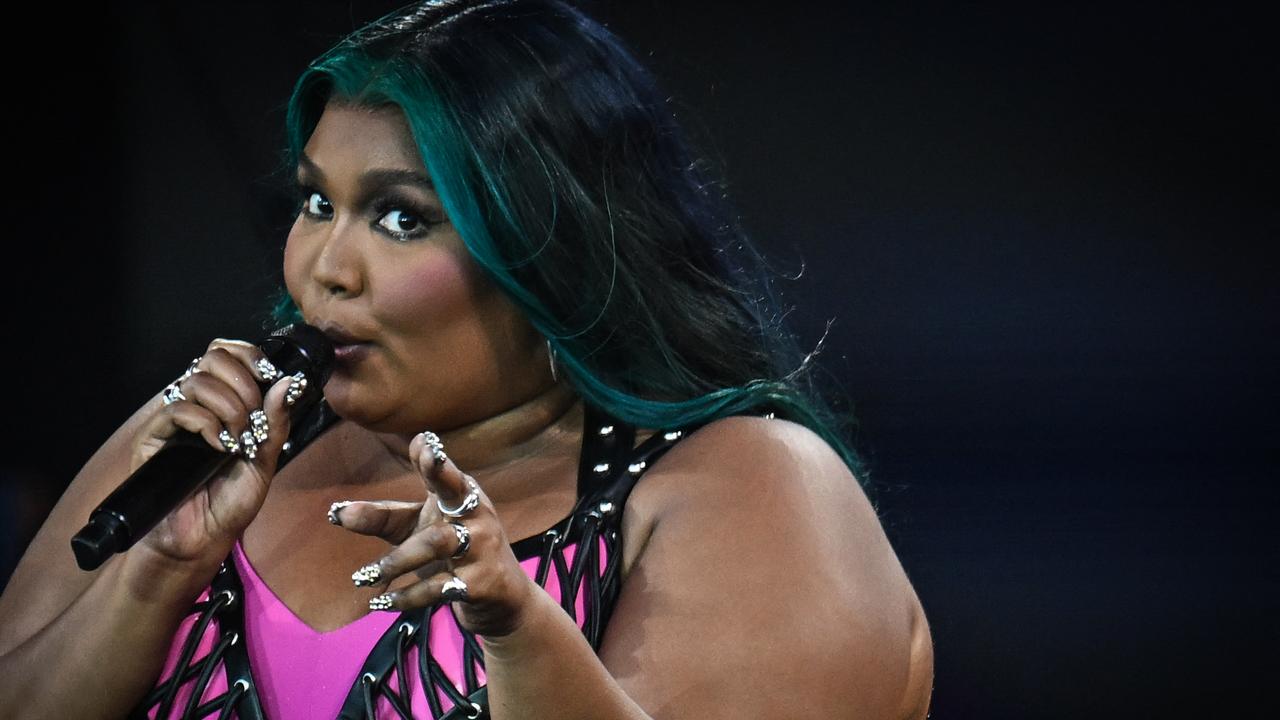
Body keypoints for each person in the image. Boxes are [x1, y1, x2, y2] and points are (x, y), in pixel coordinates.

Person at [0, 1, 933, 717]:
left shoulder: (745, 482)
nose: (325, 267)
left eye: (401, 218)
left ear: (553, 249)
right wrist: (158, 571)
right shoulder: (214, 438)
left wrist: (522, 637)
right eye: (317, 203)